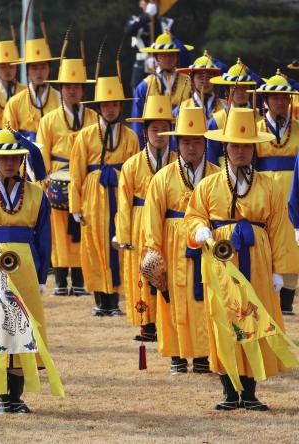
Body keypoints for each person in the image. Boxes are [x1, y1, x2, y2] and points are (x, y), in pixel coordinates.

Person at [186, 107, 295, 411]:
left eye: (246, 146)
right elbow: (193, 217)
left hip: (258, 264)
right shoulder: (207, 185)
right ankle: (228, 392)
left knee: (255, 321)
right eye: (235, 145)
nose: (241, 151)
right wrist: (201, 231)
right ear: (225, 148)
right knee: (224, 321)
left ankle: (250, 393)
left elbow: (278, 228)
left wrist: (279, 271)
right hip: (221, 263)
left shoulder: (269, 187)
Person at [0, 127, 60, 414]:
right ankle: (0, 396)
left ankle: (16, 398)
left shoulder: (37, 195)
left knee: (22, 332)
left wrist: (42, 277)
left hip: (26, 273)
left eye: (14, 158)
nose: (9, 163)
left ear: (21, 160)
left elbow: (44, 238)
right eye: (2, 159)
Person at [143, 106, 219, 374]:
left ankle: (202, 354)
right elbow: (152, 215)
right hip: (172, 243)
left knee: (204, 298)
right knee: (172, 298)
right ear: (178, 142)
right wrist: (153, 252)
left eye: (196, 141)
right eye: (185, 141)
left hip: (204, 244)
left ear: (204, 142)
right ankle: (176, 353)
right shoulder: (163, 177)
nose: (191, 147)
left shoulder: (216, 174)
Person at [70, 73, 139, 316]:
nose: (110, 110)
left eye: (114, 104)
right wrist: (75, 206)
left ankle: (115, 301)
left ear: (120, 106)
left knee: (118, 243)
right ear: (99, 107)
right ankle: (100, 300)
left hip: (119, 193)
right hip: (93, 195)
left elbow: (135, 170)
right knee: (94, 246)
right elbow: (76, 171)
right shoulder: (85, 136)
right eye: (106, 105)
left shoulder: (130, 137)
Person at [37, 56, 96, 296]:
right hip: (58, 179)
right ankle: (61, 281)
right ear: (61, 90)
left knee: (84, 227)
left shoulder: (93, 117)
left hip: (85, 179)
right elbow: (41, 153)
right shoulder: (48, 120)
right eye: (67, 87)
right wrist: (46, 181)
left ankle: (81, 280)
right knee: (59, 231)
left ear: (83, 89)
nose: (72, 91)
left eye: (76, 86)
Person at [121, 94, 177, 339]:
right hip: (140, 220)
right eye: (154, 129)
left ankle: (171, 319)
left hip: (170, 221)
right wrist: (124, 234)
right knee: (143, 270)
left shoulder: (177, 162)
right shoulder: (131, 165)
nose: (159, 134)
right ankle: (148, 322)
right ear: (145, 132)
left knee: (170, 268)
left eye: (164, 129)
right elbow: (123, 202)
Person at [252, 70, 299, 316]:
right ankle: (265, 296)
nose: (280, 102)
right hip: (264, 193)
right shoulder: (255, 129)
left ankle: (287, 301)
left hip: (292, 192)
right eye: (274, 98)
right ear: (266, 100)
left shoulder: (298, 128)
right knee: (266, 244)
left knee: (291, 245)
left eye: (284, 99)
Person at [131, 30, 193, 147]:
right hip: (154, 141)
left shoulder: (188, 82)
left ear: (177, 57)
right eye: (163, 55)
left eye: (171, 54)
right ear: (156, 56)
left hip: (183, 141)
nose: (168, 59)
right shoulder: (144, 86)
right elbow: (137, 122)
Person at [2, 26, 60, 142]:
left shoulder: (60, 99)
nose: (39, 72)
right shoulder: (15, 102)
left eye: (43, 67)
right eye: (34, 67)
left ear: (50, 69)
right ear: (27, 70)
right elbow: (9, 136)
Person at [206, 58, 261, 165]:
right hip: (224, 174)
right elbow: (211, 155)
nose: (241, 92)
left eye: (245, 87)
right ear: (227, 90)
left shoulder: (260, 117)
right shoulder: (217, 120)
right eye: (236, 88)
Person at [124, 0, 172, 90]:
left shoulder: (165, 23)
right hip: (141, 66)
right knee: (139, 96)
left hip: (160, 66)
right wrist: (147, 15)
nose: (151, 4)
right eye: (147, 1)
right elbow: (128, 31)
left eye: (154, 2)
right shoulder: (135, 20)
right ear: (140, 3)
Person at [175, 51, 226, 120]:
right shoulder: (182, 107)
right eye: (200, 77)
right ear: (192, 80)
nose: (204, 81)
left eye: (208, 77)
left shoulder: (225, 106)